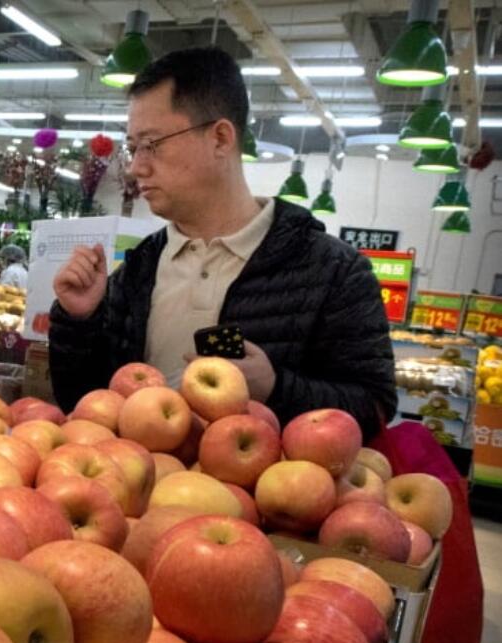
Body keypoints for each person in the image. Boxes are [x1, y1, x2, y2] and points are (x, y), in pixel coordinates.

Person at [48, 46, 396, 439]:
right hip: (139, 491)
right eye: (133, 146)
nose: (135, 166)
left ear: (220, 138)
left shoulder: (333, 270)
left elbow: (375, 410)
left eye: (152, 144)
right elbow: (84, 405)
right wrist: (79, 321)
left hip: (267, 497)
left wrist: (276, 389)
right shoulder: (138, 269)